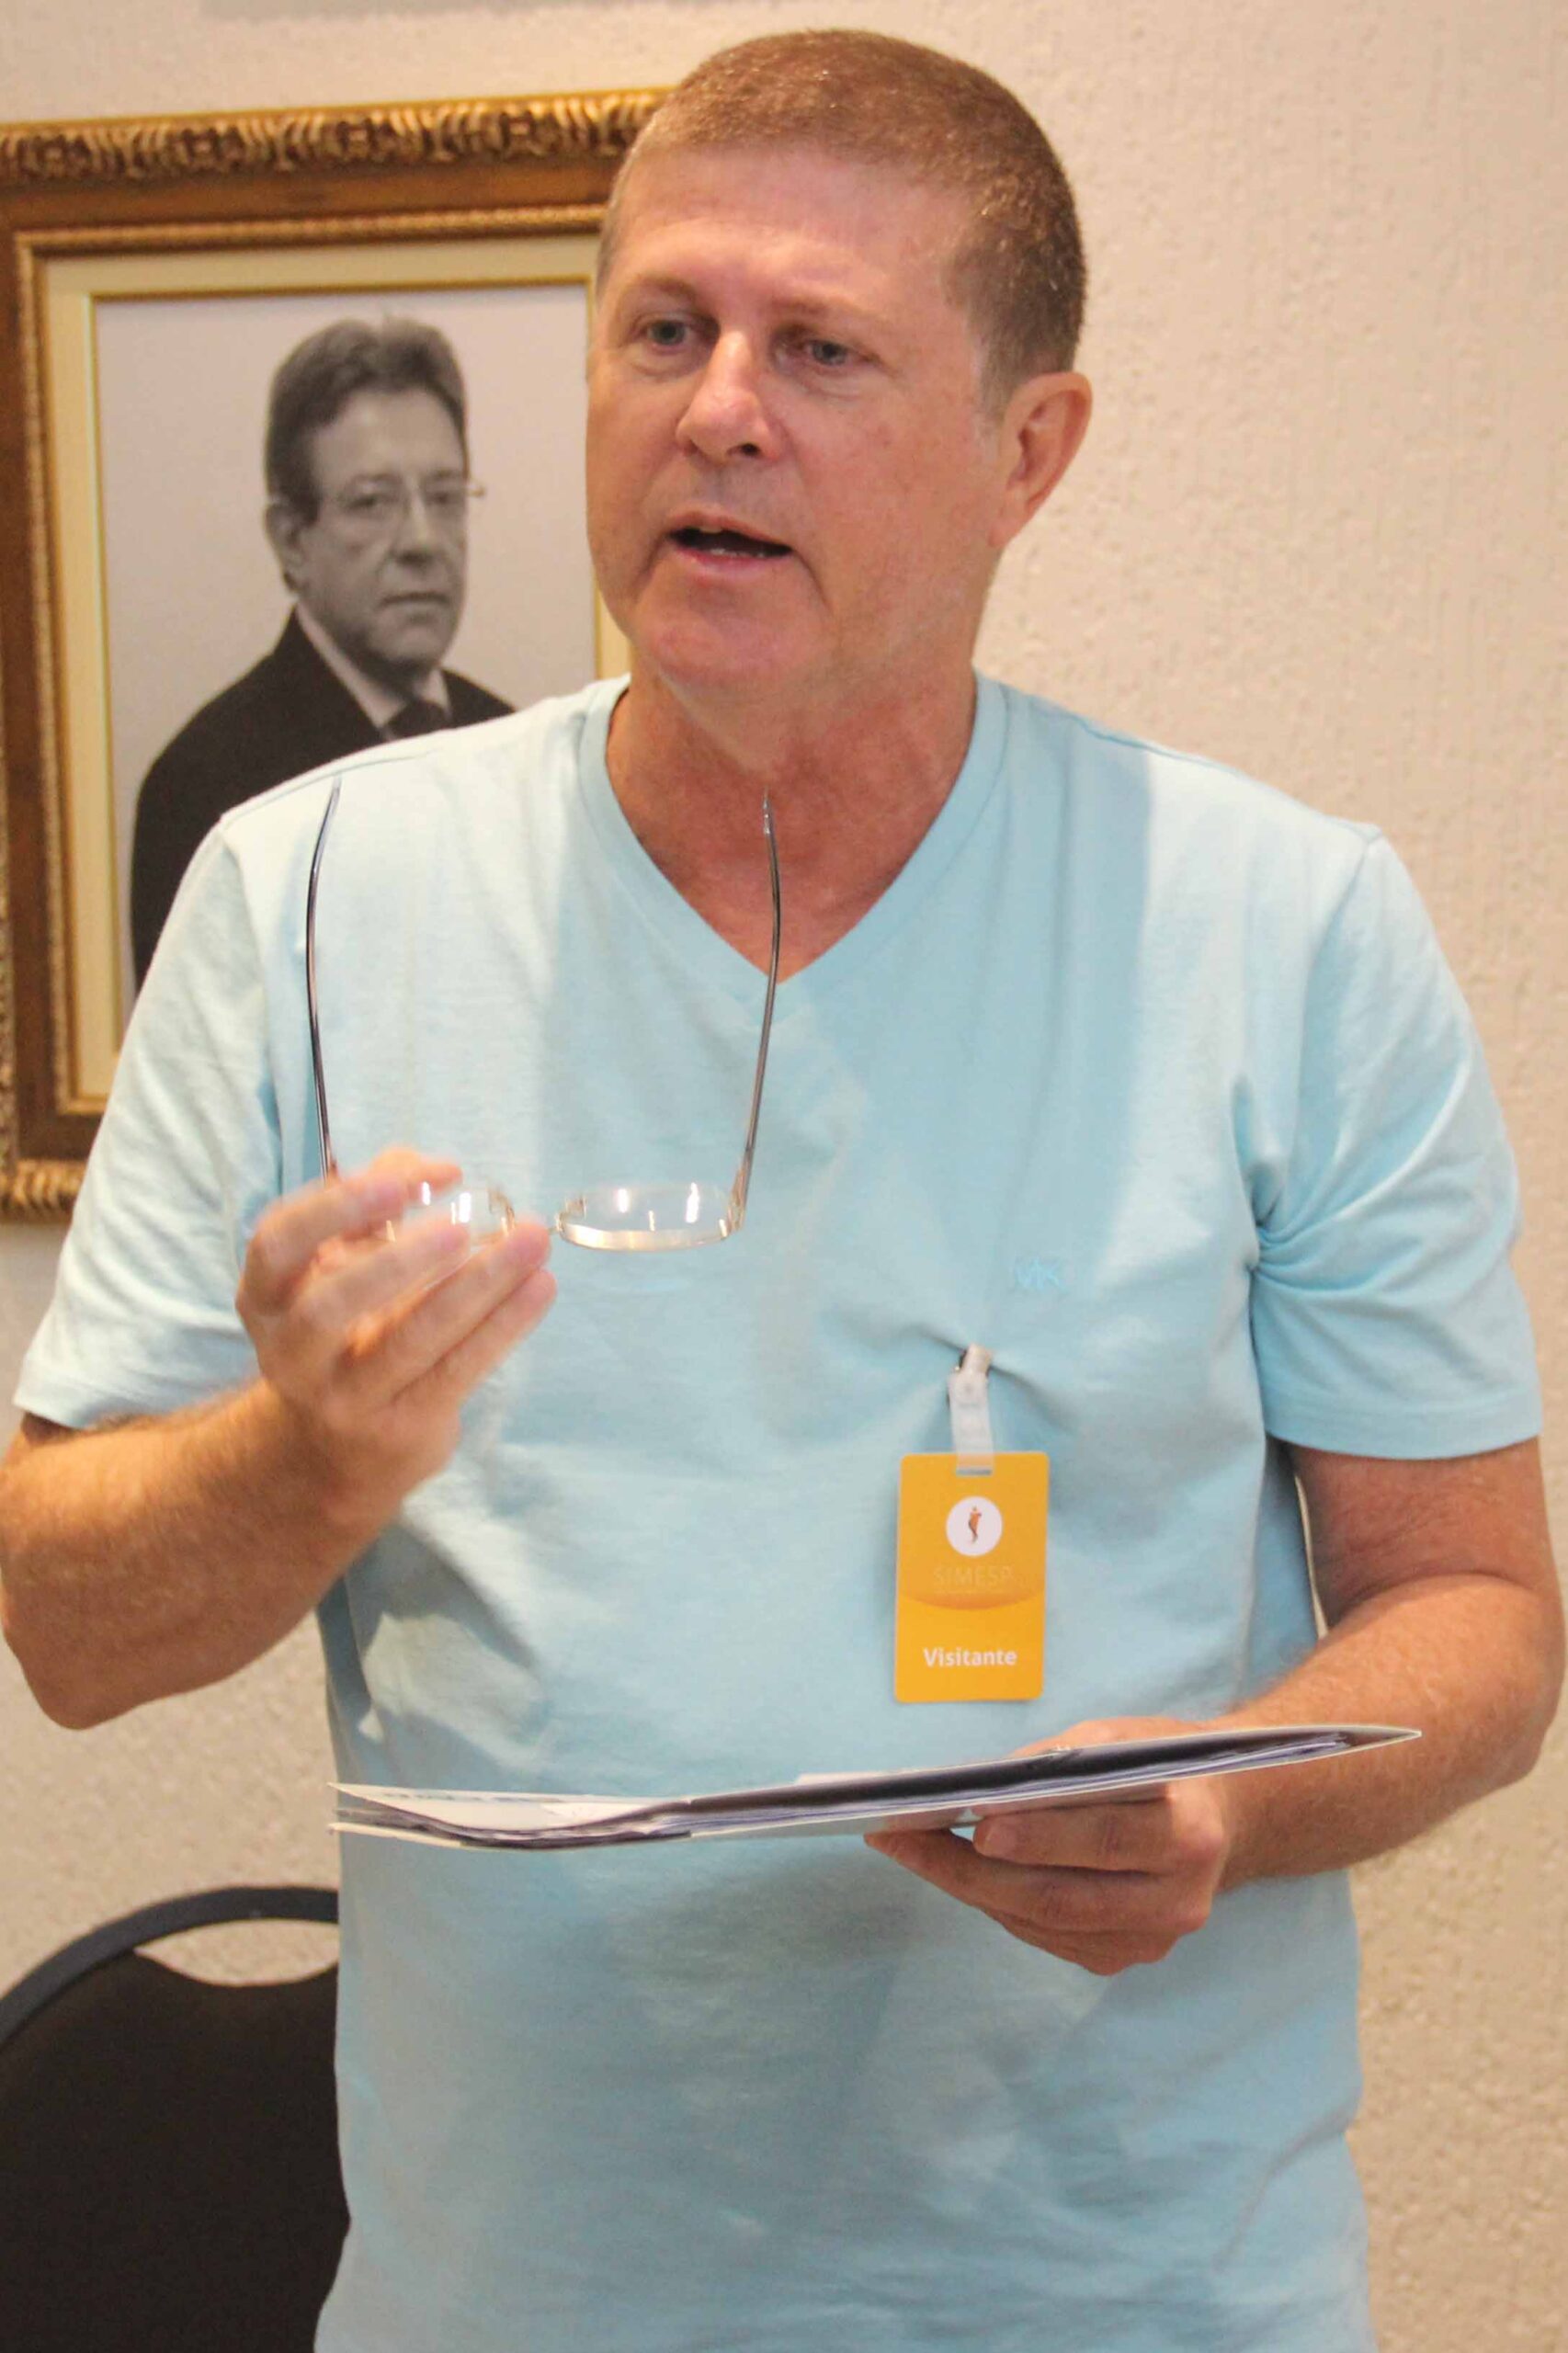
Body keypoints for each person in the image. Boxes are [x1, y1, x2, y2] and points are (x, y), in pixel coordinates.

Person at [2, 29, 1560, 2352]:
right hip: (511, 2294)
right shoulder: (305, 888)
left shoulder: (1277, 926)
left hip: (1128, 2294)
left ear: (1029, 448)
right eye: (663, 328)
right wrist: (301, 1459)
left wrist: (1228, 1813)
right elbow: (67, 1623)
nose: (718, 410)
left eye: (820, 350)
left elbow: (1474, 1613)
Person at [128, 315, 511, 983]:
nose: (423, 541)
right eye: (372, 503)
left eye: (446, 497)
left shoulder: (510, 747)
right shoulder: (208, 789)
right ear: (291, 540)